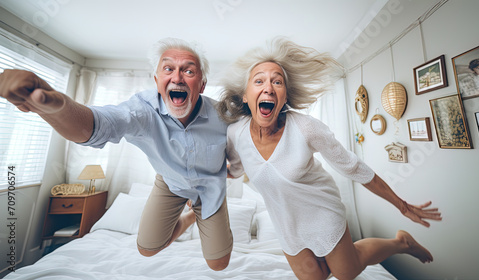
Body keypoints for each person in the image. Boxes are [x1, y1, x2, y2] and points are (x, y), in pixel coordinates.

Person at [218, 38, 442, 280]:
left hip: (322, 212)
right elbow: (235, 170)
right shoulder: (235, 134)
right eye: (259, 80)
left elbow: (354, 168)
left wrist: (402, 205)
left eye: (277, 82)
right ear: (244, 96)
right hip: (286, 223)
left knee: (347, 272)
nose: (269, 88)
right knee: (316, 278)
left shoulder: (306, 128)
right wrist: (198, 185)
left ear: (284, 97)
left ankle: (401, 243)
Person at [0, 38, 232, 271]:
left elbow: (249, 145)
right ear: (157, 81)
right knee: (147, 248)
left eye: (189, 71)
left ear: (201, 85)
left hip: (209, 186)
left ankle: (197, 210)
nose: (177, 77)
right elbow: (101, 123)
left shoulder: (222, 115)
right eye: (168, 68)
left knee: (218, 264)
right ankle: (190, 216)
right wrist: (57, 106)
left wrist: (233, 168)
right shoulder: (142, 110)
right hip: (170, 181)